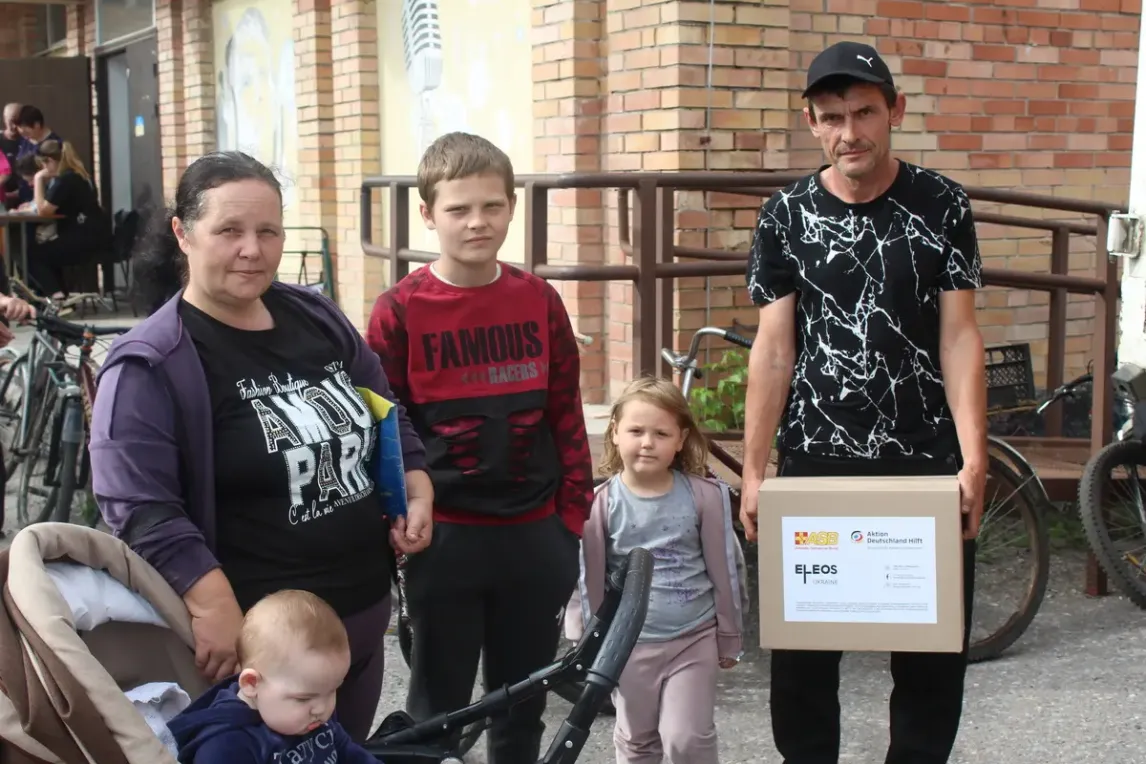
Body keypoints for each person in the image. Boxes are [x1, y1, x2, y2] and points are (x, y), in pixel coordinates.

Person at [88, 150, 435, 743]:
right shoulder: (150, 363)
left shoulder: (314, 316)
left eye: (267, 231)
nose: (253, 248)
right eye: (229, 230)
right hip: (256, 656)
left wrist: (416, 480)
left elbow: (381, 407)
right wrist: (210, 603)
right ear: (183, 233)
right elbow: (140, 506)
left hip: (353, 627)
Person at [739, 41, 986, 764]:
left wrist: (974, 461)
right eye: (833, 117)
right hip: (818, 463)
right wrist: (756, 472)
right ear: (813, 123)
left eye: (865, 113)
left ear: (894, 110)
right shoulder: (785, 213)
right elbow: (774, 348)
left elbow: (960, 338)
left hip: (926, 462)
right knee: (804, 665)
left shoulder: (943, 203)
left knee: (932, 661)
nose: (851, 132)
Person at [365, 131, 594, 764]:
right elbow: (383, 429)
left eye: (492, 206)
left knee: (521, 709)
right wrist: (398, 518)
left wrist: (569, 519)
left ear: (512, 207)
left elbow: (565, 413)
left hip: (534, 531)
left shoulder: (539, 301)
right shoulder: (399, 312)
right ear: (428, 213)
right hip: (447, 538)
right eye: (459, 209)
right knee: (436, 712)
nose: (477, 222)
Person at [567, 376, 745, 764]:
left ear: (681, 439)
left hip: (693, 639)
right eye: (636, 431)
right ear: (614, 433)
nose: (647, 442)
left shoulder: (704, 497)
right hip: (628, 645)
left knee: (687, 739)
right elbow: (587, 580)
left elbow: (727, 572)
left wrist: (729, 635)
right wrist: (587, 644)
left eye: (661, 433)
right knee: (636, 741)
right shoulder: (599, 505)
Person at [169, 589, 379, 764]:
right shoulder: (227, 744)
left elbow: (345, 750)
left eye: (332, 690)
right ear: (252, 683)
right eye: (304, 698)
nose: (322, 709)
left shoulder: (310, 713)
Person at [24, 140, 108, 298]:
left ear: (49, 161)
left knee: (32, 254)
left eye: (43, 165)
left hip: (80, 240)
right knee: (48, 252)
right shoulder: (81, 175)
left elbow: (43, 210)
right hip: (93, 238)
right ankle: (60, 295)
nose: (44, 169)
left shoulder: (66, 180)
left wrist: (38, 179)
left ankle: (57, 297)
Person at [12, 105, 60, 205]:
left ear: (37, 125)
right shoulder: (25, 141)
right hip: (24, 200)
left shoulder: (54, 145)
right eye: (20, 129)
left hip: (45, 200)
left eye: (26, 130)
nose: (23, 134)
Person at [0, 103, 25, 209]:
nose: (14, 126)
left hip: (25, 196)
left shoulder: (28, 141)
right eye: (11, 121)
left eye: (17, 121)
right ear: (4, 119)